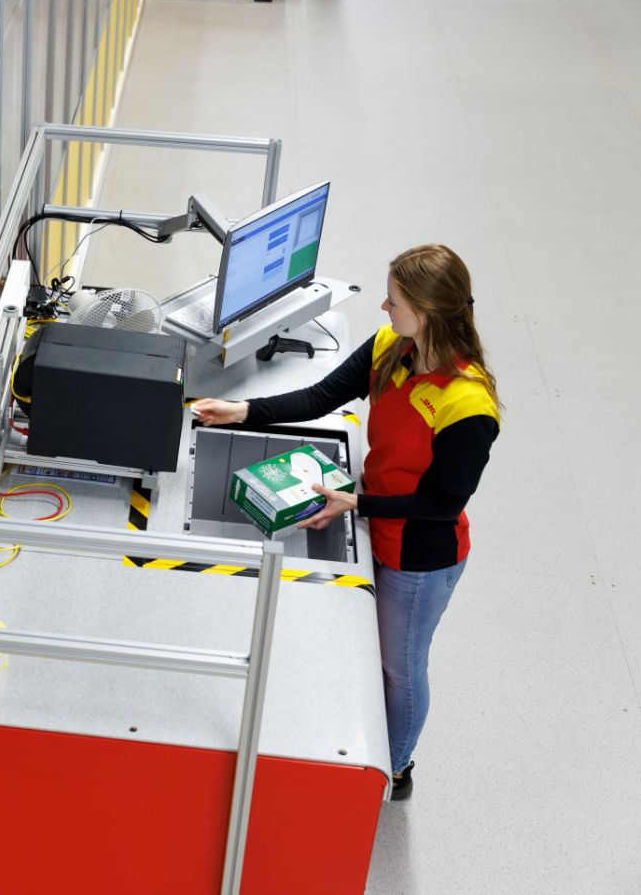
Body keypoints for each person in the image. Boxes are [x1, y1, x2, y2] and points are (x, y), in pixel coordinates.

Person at [191, 244, 500, 801]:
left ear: (428, 313)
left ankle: (397, 769)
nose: (384, 307)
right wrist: (241, 412)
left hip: (419, 558)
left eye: (396, 301)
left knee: (399, 670)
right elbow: (322, 395)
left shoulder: (468, 407)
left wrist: (354, 503)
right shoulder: (392, 348)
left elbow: (442, 506)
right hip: (376, 523)